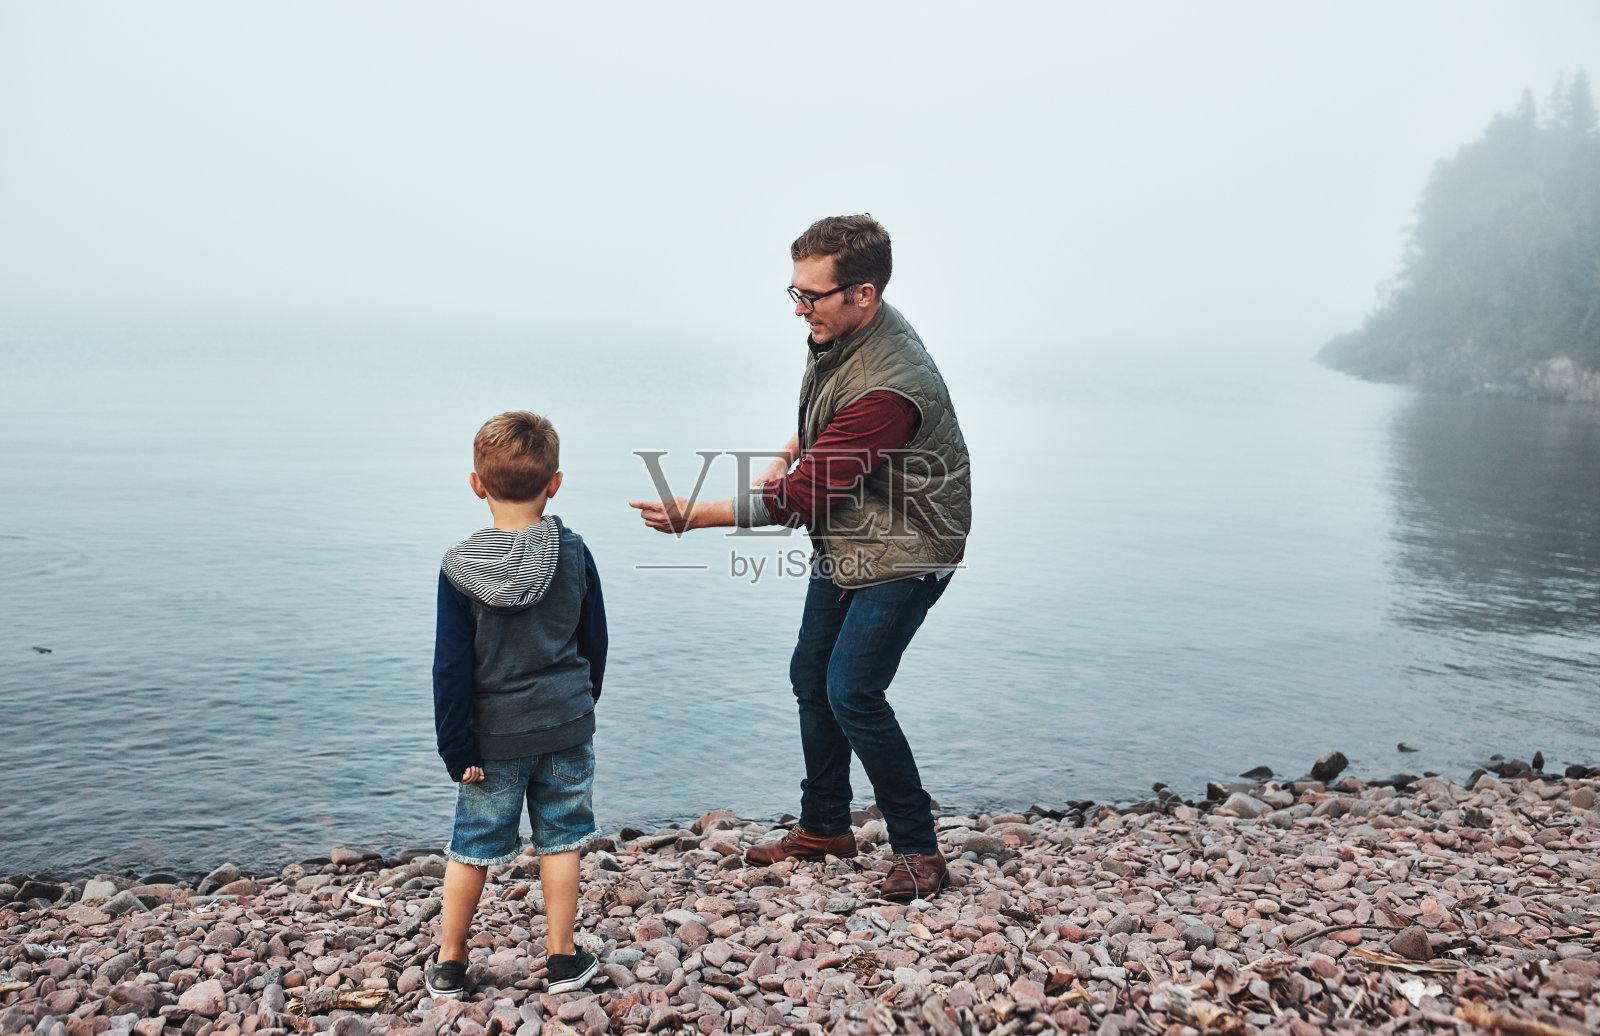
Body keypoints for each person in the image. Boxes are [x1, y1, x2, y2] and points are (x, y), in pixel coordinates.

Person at [630, 215, 971, 902]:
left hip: (911, 546)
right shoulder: (847, 332)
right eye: (795, 291)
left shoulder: (887, 387)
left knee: (853, 689)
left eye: (811, 296)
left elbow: (801, 501)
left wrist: (695, 515)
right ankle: (824, 829)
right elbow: (827, 412)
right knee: (810, 674)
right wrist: (790, 452)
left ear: (863, 294)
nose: (798, 309)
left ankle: (919, 851)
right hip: (855, 533)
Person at [428, 411, 608, 1000]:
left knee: (472, 847)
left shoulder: (459, 570)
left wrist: (455, 745)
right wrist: (581, 703)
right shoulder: (574, 553)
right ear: (555, 483)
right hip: (565, 725)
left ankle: (450, 963)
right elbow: (595, 638)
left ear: (476, 484)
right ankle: (562, 958)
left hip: (491, 740)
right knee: (562, 838)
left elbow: (451, 667)